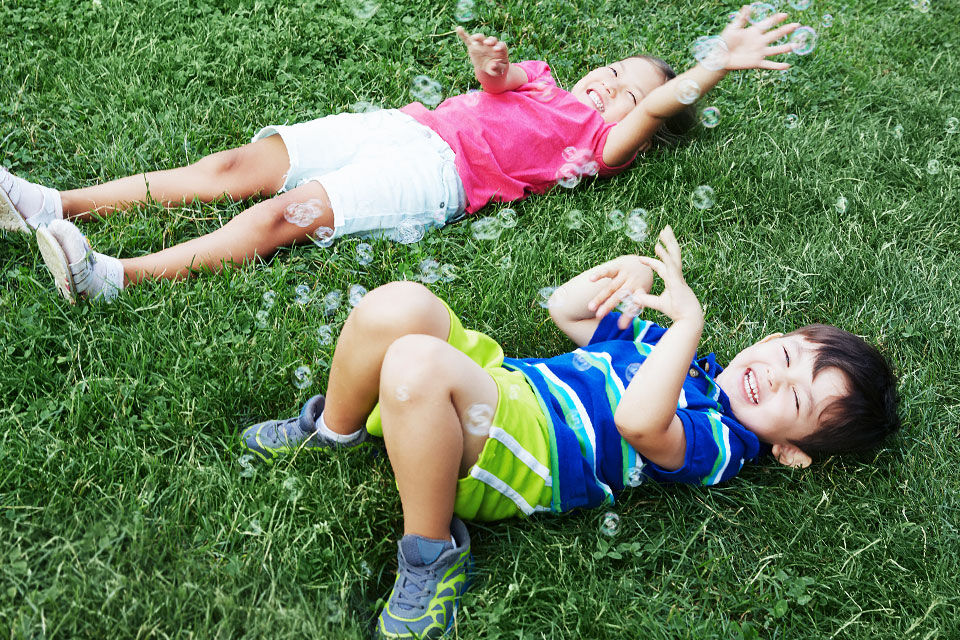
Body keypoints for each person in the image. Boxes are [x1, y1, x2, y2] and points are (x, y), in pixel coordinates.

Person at [239, 225, 900, 639]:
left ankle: (431, 553)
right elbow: (566, 310)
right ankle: (334, 431)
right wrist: (626, 272)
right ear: (773, 338)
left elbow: (638, 421)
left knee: (414, 361)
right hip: (503, 385)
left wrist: (689, 323)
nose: (773, 379)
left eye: (797, 401)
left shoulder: (724, 444)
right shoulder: (674, 358)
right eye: (785, 358)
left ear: (788, 451)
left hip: (527, 449)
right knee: (398, 305)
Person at [0, 6, 802, 303]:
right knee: (233, 167)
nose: (610, 90)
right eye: (614, 73)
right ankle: (51, 204)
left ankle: (110, 279)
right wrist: (491, 66)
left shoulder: (600, 145)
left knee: (285, 215)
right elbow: (503, 76)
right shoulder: (552, 85)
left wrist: (711, 66)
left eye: (627, 95)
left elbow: (662, 102)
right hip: (399, 124)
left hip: (435, 177)